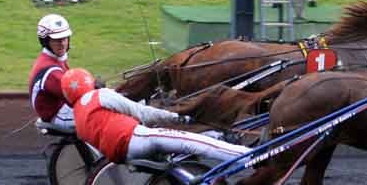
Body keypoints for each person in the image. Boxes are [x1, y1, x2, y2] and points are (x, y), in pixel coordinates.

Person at [60, 68, 250, 164]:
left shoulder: (78, 118)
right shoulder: (99, 95)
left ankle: (216, 137)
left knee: (180, 143)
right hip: (139, 139)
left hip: (123, 155)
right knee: (193, 143)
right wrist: (177, 117)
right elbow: (143, 114)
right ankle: (247, 157)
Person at [28, 14, 75, 132]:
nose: (63, 44)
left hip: (61, 108)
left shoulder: (53, 58)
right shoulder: (50, 70)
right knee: (102, 118)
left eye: (65, 38)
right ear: (46, 41)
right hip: (57, 116)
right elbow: (74, 97)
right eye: (57, 40)